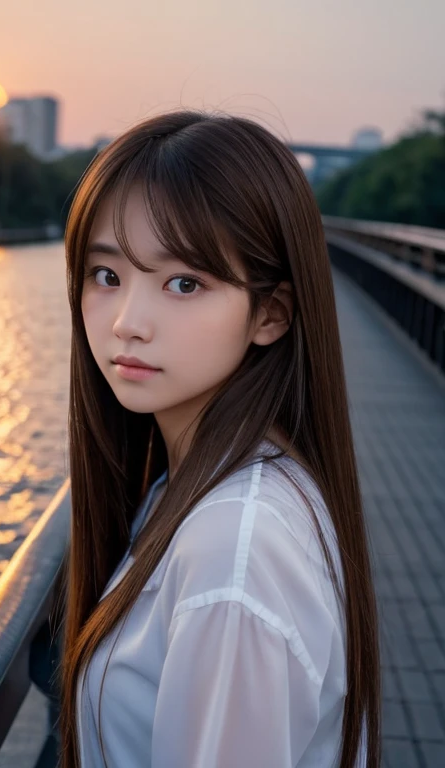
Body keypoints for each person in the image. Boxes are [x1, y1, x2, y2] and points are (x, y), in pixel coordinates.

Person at [59, 110, 380, 768]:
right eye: (106, 275)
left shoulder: (234, 555)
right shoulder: (196, 486)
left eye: (184, 283)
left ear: (270, 314)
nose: (126, 323)